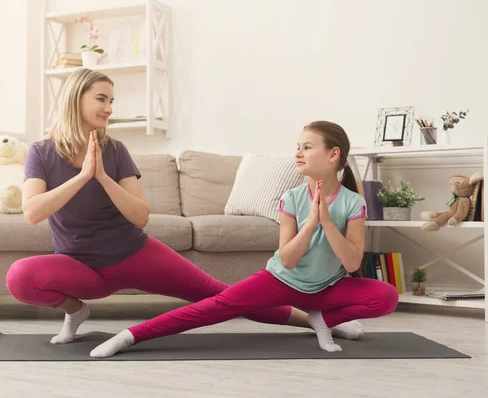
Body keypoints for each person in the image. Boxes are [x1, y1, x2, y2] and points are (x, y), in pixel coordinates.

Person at [5, 70, 364, 345]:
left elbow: (141, 215)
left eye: (111, 100)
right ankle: (77, 311)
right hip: (79, 264)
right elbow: (33, 212)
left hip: (132, 253)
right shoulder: (42, 152)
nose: (109, 108)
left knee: (223, 295)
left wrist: (102, 177)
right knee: (20, 276)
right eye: (101, 99)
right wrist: (82, 176)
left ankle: (315, 319)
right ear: (75, 99)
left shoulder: (114, 151)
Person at [90, 120, 399, 358]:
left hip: (327, 290)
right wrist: (311, 224)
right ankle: (129, 336)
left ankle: (321, 318)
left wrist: (329, 223)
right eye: (298, 146)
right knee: (212, 308)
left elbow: (353, 261)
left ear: (333, 155)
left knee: (386, 296)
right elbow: (288, 259)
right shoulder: (291, 198)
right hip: (280, 281)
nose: (298, 152)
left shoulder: (352, 203)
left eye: (307, 147)